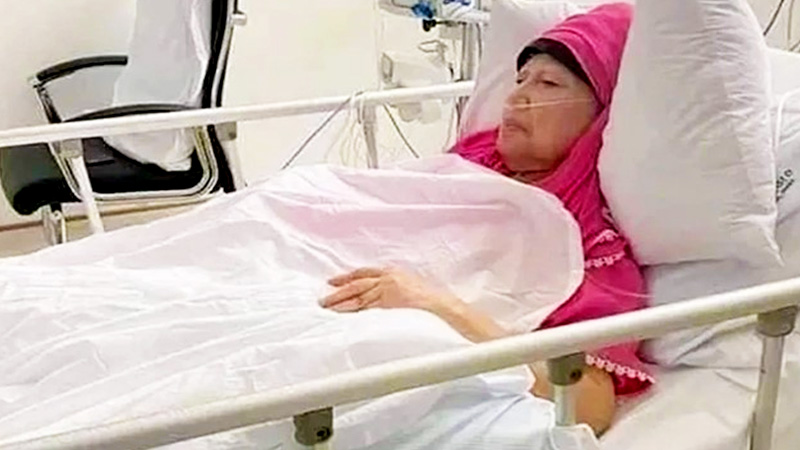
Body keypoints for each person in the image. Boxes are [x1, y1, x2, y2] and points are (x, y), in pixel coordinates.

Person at [322, 3, 651, 435]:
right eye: (520, 79)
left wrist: (439, 306)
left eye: (548, 83)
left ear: (602, 112)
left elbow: (587, 402)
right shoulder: (464, 165)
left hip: (388, 349)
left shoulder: (587, 246)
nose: (515, 97)